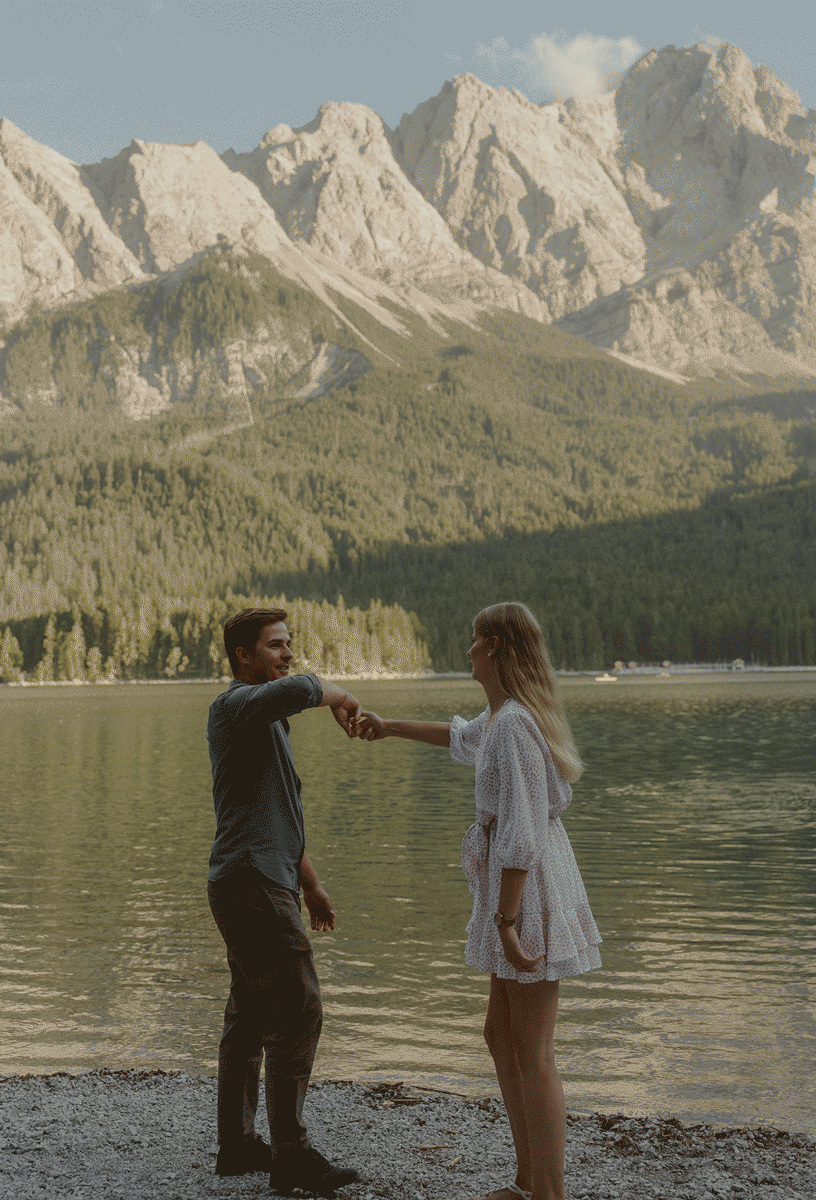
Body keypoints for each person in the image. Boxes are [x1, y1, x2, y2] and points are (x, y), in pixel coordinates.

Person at [356, 601, 602, 1200]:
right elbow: (460, 738)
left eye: (474, 640)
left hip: (528, 890)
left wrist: (508, 919)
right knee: (500, 1033)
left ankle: (547, 1193)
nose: (466, 650)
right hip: (515, 886)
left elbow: (521, 831)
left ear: (496, 648)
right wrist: (388, 728)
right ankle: (525, 1181)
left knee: (533, 1048)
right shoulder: (502, 720)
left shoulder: (516, 725)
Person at [205, 606, 362, 1196]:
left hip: (256, 876)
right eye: (275, 645)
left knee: (249, 1012)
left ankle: (240, 1146)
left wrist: (313, 885)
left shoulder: (266, 723)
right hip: (250, 884)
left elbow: (278, 818)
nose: (287, 653)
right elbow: (302, 689)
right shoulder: (235, 707)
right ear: (244, 656)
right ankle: (290, 1155)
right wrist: (340, 694)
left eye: (289, 644)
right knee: (298, 1005)